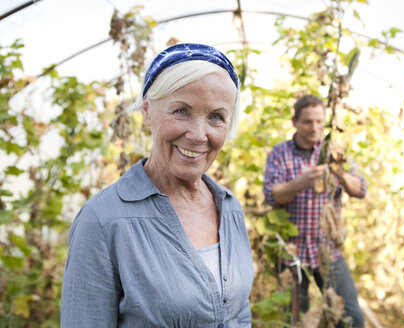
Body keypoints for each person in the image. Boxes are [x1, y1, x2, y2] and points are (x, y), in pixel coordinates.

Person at [61, 43, 254, 327]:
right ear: (148, 111)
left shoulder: (229, 207)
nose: (199, 135)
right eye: (181, 111)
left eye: (216, 116)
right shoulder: (104, 221)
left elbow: (240, 314)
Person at [263, 95, 367, 327]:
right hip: (291, 251)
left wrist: (338, 171)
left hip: (327, 249)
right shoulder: (280, 153)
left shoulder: (334, 151)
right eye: (308, 122)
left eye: (320, 122)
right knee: (294, 319)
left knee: (350, 317)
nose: (315, 128)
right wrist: (302, 182)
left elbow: (360, 189)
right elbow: (272, 194)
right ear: (295, 122)